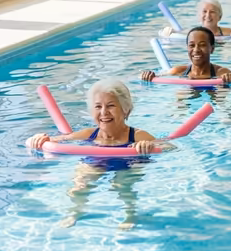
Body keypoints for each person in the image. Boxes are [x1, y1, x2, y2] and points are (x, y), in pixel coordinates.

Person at [26, 79, 168, 229]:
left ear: (125, 110)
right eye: (98, 107)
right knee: (79, 186)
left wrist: (148, 145)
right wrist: (38, 138)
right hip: (96, 159)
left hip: (129, 162)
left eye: (111, 106)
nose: (104, 112)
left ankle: (131, 214)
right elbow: (55, 141)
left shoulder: (138, 135)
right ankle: (76, 212)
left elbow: (169, 147)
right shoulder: (88, 134)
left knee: (122, 184)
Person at [141, 26, 231, 84]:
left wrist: (229, 79)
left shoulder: (221, 73)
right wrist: (149, 76)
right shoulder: (178, 71)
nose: (196, 50)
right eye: (191, 45)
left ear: (212, 49)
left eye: (202, 45)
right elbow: (158, 76)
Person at [160, 0, 231, 37]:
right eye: (204, 12)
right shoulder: (193, 32)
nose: (208, 15)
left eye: (212, 12)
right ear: (199, 16)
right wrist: (171, 31)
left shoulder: (227, 32)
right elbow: (179, 33)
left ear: (219, 17)